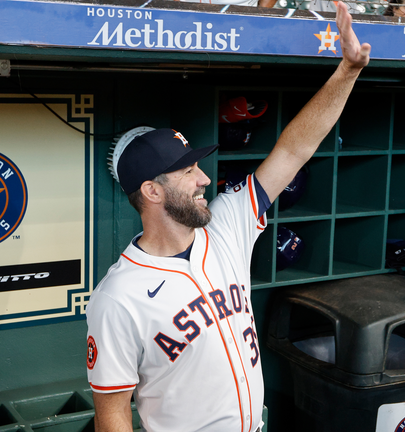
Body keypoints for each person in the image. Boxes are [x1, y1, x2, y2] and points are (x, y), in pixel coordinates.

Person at [84, 3, 371, 432]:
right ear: (152, 191)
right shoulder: (117, 298)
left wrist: (347, 71)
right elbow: (112, 415)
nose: (203, 178)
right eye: (187, 171)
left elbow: (293, 150)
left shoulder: (227, 224)